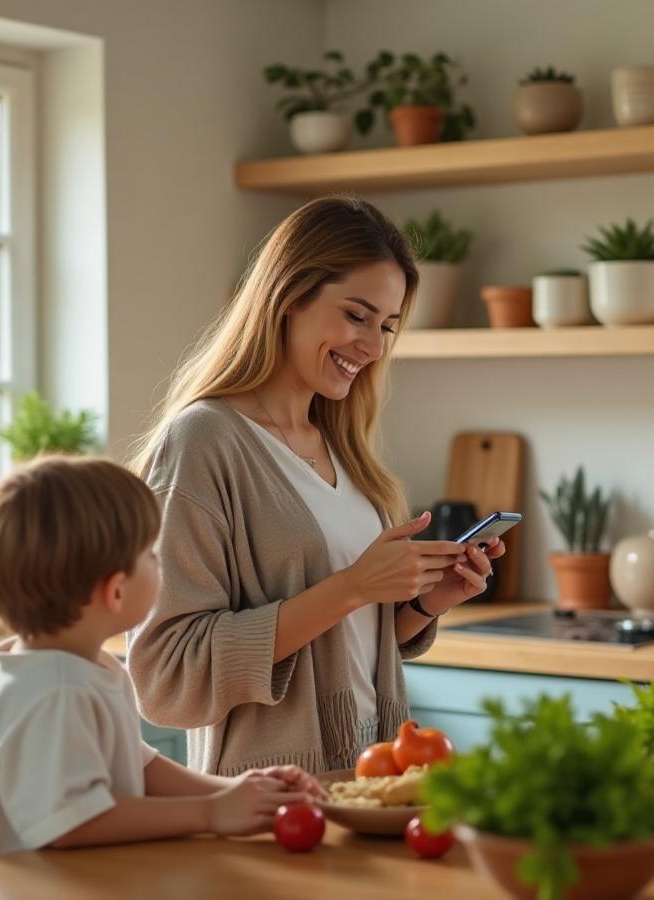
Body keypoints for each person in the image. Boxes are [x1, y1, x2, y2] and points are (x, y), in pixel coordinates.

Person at [126, 195, 505, 776]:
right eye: (356, 316)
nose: (374, 347)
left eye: (386, 326)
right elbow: (166, 676)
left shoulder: (344, 448)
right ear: (289, 296)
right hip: (270, 795)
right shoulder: (204, 443)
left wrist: (425, 602)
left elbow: (345, 638)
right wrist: (352, 586)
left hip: (372, 778)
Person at [0, 456, 323, 860]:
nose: (159, 564)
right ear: (115, 592)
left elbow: (140, 768)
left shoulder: (79, 669)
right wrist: (211, 813)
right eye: (151, 555)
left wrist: (235, 790)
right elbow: (74, 821)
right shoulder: (58, 690)